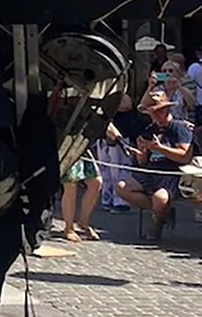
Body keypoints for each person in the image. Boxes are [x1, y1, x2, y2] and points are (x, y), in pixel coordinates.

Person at [116, 89, 195, 240]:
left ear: (166, 109)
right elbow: (144, 161)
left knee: (160, 198)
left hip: (172, 173)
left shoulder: (179, 127)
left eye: (158, 112)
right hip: (151, 171)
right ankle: (164, 211)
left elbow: (185, 157)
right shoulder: (151, 129)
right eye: (152, 113)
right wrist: (140, 154)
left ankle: (157, 223)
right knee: (121, 187)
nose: (155, 116)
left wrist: (159, 148)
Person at [60, 157, 101, 242]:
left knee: (96, 182)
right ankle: (69, 228)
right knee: (70, 184)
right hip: (69, 150)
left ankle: (83, 222)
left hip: (82, 149)